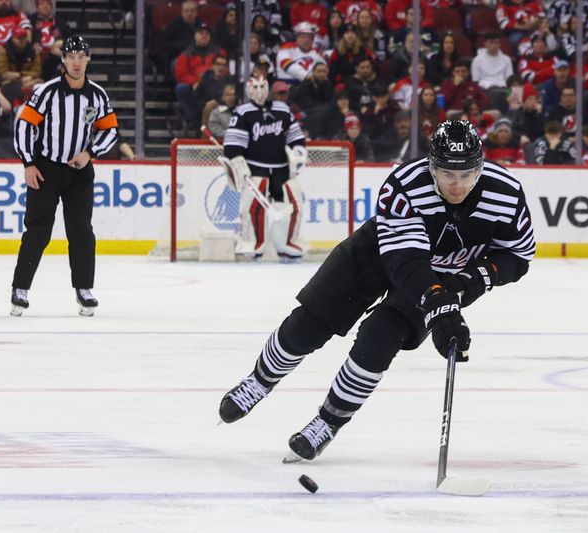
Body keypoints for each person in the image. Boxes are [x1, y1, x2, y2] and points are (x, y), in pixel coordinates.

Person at [218, 120, 536, 461]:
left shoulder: (507, 194)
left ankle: (328, 421)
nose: (457, 185)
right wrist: (438, 303)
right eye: (447, 174)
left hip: (444, 275)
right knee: (308, 326)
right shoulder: (405, 186)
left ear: (481, 167)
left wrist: (468, 283)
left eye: (467, 175)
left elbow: (518, 256)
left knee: (379, 339)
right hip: (380, 255)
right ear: (431, 167)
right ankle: (259, 381)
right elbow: (406, 263)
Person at [10, 36, 118, 317]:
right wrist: (28, 163)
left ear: (88, 59)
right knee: (37, 231)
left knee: (82, 232)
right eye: (71, 56)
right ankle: (20, 289)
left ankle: (84, 289)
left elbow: (111, 130)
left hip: (79, 173)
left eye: (82, 56)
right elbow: (24, 126)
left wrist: (90, 153)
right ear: (63, 60)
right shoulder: (46, 92)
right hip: (46, 171)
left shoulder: (97, 95)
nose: (77, 62)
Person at [222, 75, 307, 262]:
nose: (259, 91)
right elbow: (233, 144)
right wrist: (238, 163)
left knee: (294, 205)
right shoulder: (243, 112)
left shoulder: (282, 109)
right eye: (255, 87)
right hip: (256, 169)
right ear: (248, 89)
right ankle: (254, 245)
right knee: (253, 208)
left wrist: (297, 153)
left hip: (282, 169)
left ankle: (288, 244)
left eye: (263, 86)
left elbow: (296, 138)